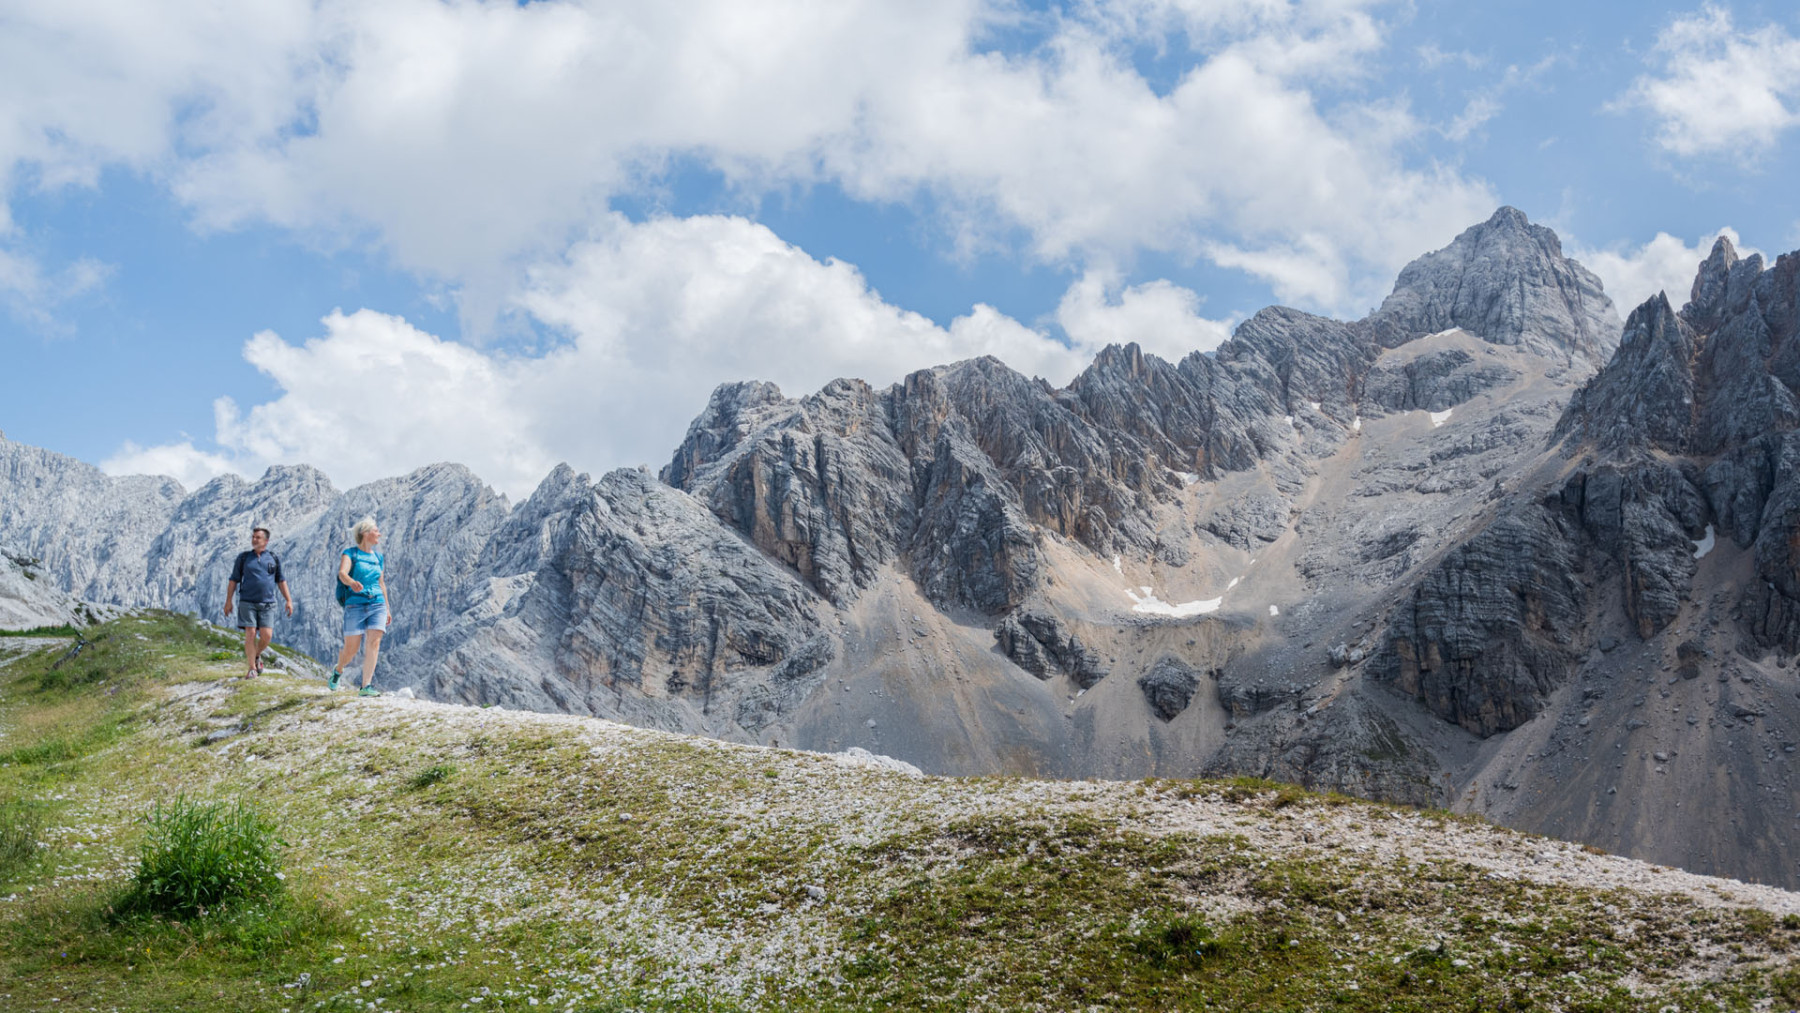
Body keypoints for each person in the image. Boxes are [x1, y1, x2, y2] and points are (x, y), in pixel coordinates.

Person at [223, 525, 293, 678]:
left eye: (258, 537)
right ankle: (252, 668)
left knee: (267, 635)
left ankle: (257, 654)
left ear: (266, 541)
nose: (254, 540)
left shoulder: (273, 559)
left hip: (267, 603)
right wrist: (229, 601)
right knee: (250, 633)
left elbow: (281, 580)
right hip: (247, 602)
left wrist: (288, 600)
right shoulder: (243, 558)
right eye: (253, 537)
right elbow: (233, 580)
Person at [332, 516, 391, 697]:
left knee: (374, 642)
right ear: (365, 534)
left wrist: (387, 608)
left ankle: (365, 686)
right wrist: (351, 583)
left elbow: (381, 584)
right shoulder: (350, 554)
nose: (379, 534)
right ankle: (338, 670)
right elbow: (342, 573)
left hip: (377, 603)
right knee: (351, 650)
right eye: (376, 530)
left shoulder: (378, 557)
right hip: (355, 605)